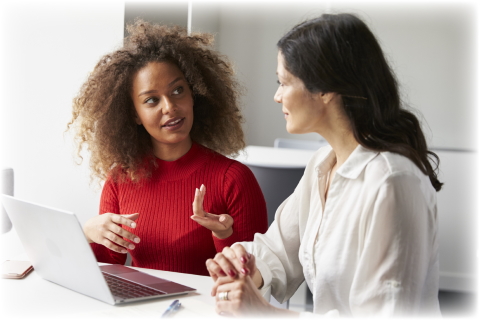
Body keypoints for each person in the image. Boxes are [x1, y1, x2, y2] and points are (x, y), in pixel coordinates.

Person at [206, 13, 443, 317]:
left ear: (326, 89)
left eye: (284, 82)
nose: (277, 96)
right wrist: (243, 264)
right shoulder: (322, 164)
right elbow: (278, 250)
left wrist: (265, 312)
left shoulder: (392, 182)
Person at [68, 21, 268, 276]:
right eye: (152, 100)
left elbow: (253, 278)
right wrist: (88, 234)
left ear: (193, 95)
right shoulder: (119, 180)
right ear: (134, 114)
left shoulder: (234, 179)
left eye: (177, 90)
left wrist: (223, 234)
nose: (170, 107)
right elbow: (107, 268)